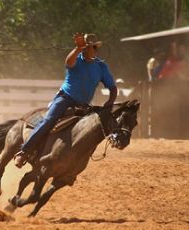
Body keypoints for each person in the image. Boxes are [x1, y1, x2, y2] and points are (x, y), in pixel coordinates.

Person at [14, 33, 118, 168]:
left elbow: (113, 87)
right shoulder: (77, 59)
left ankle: (75, 163)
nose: (87, 50)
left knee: (90, 128)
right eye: (84, 48)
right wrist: (77, 49)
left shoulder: (101, 67)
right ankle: (24, 151)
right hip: (65, 98)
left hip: (83, 104)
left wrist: (110, 102)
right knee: (49, 120)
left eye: (89, 47)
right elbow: (68, 62)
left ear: (95, 49)